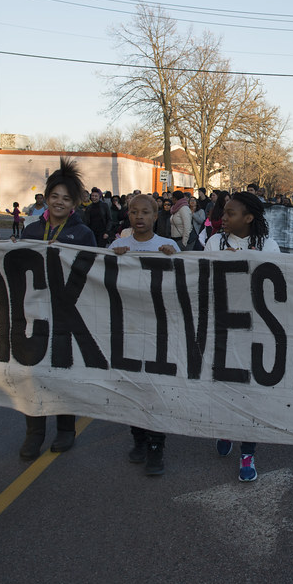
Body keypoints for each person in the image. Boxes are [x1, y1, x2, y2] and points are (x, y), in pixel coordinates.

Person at [17, 158, 97, 460]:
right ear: (46, 198)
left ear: (74, 202)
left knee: (63, 373)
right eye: (54, 197)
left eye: (66, 198)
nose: (59, 202)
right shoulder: (32, 231)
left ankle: (66, 430)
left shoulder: (83, 234)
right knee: (32, 374)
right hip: (34, 314)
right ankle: (34, 433)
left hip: (67, 316)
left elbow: (93, 273)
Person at [206, 192, 281, 482]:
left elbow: (278, 287)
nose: (223, 218)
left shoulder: (269, 245)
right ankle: (226, 428)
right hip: (222, 327)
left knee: (251, 393)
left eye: (230, 214)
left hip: (256, 330)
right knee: (224, 386)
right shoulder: (214, 242)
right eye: (223, 213)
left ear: (248, 218)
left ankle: (247, 451)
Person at [109, 194, 180, 475]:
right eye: (134, 212)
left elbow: (182, 285)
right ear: (128, 215)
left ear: (155, 216)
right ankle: (138, 439)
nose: (139, 217)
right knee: (133, 387)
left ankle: (156, 446)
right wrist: (112, 261)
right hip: (127, 328)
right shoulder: (118, 246)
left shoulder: (168, 246)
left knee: (154, 387)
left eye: (145, 212)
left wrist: (173, 261)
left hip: (158, 330)